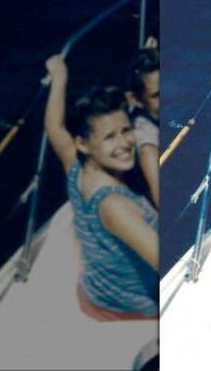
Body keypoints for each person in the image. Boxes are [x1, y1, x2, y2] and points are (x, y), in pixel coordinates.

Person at [43, 55, 159, 321]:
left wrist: (59, 76)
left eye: (126, 130)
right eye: (109, 137)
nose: (124, 144)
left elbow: (54, 126)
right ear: (83, 143)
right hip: (134, 308)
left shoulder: (75, 165)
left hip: (97, 291)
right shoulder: (115, 206)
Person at [125, 36, 160, 209]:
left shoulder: (135, 106)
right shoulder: (148, 149)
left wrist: (147, 53)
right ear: (137, 100)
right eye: (156, 95)